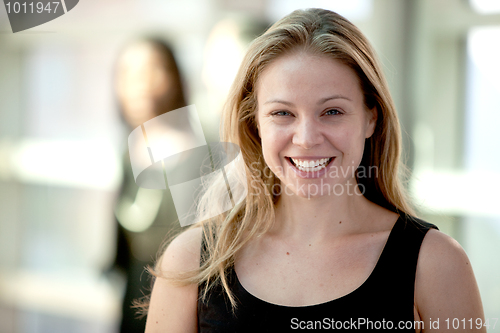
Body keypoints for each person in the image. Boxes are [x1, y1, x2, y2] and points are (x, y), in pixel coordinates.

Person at [144, 9, 485, 332]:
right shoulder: (190, 263)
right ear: (255, 124)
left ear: (371, 117)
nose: (306, 139)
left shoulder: (437, 265)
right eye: (282, 113)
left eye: (332, 111)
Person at [112, 38, 187, 333]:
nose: (139, 84)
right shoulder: (128, 151)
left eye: (152, 70)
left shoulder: (202, 149)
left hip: (183, 301)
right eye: (128, 74)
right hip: (133, 298)